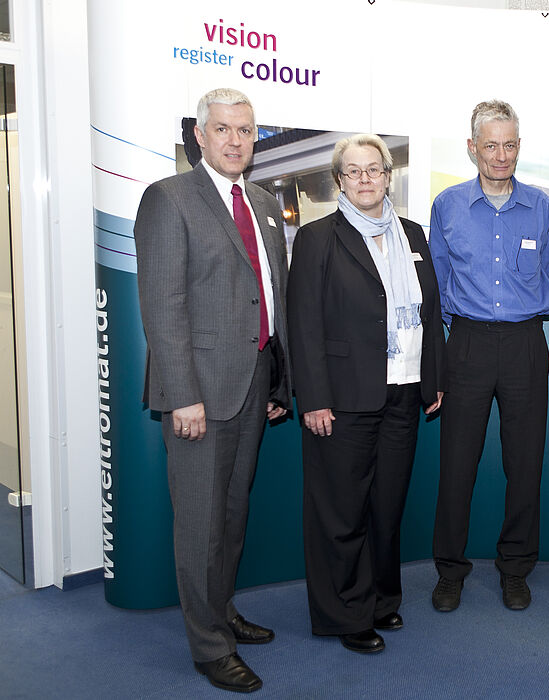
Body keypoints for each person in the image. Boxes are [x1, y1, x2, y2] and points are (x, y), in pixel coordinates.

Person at [134, 87, 292, 693]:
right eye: (223, 129)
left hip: (254, 382)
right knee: (200, 522)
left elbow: (268, 296)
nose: (235, 140)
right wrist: (183, 396)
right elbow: (163, 307)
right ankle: (207, 646)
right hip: (201, 391)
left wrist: (277, 377)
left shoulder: (261, 202)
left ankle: (221, 611)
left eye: (246, 130)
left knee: (231, 512)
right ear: (199, 135)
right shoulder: (169, 199)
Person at [287, 134, 444, 655]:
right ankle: (344, 614)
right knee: (342, 511)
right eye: (352, 172)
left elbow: (430, 312)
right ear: (338, 181)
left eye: (373, 170)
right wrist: (312, 398)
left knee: (386, 506)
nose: (365, 179)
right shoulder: (317, 240)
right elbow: (303, 325)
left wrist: (432, 380)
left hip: (402, 391)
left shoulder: (414, 236)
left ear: (387, 175)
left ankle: (381, 599)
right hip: (342, 398)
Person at [429, 99, 549, 612]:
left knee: (524, 465)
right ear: (472, 148)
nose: (500, 155)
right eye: (490, 145)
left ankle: (516, 568)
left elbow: (545, 273)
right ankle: (450, 570)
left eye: (509, 145)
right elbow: (436, 280)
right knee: (457, 464)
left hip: (526, 342)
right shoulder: (448, 205)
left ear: (519, 148)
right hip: (467, 344)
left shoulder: (542, 207)